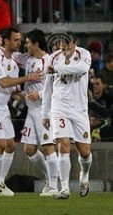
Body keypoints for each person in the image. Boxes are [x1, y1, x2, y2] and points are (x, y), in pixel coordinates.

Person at [0, 27, 42, 196]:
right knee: (1, 144)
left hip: (2, 107)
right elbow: (4, 83)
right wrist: (28, 77)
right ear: (5, 41)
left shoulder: (12, 63)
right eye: (16, 40)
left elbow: (13, 87)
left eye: (20, 40)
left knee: (11, 145)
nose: (19, 43)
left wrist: (32, 95)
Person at [42, 31, 92, 199]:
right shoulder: (53, 57)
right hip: (59, 107)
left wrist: (57, 69)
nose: (65, 52)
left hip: (79, 109)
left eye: (68, 48)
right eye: (62, 48)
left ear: (75, 43)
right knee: (63, 145)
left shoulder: (84, 54)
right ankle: (64, 189)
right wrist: (45, 113)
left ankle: (84, 175)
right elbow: (47, 88)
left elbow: (82, 69)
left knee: (84, 152)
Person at [20, 29, 58, 196]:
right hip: (31, 110)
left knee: (48, 147)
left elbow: (57, 87)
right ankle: (48, 178)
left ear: (36, 43)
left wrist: (40, 94)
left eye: (28, 42)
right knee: (29, 149)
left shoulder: (49, 61)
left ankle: (54, 186)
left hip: (45, 111)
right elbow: (11, 57)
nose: (26, 45)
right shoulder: (27, 58)